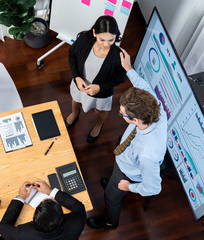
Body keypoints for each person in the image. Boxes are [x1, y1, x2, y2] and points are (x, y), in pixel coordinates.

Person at [86, 48, 168, 229]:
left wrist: (128, 187)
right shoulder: (155, 106)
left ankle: (110, 221)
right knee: (114, 183)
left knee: (111, 198)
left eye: (122, 113)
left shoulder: (148, 154)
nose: (119, 114)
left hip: (128, 173)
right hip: (124, 160)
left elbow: (153, 188)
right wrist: (128, 68)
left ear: (136, 120)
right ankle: (114, 185)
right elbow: (144, 88)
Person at [66, 15, 126, 143]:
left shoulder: (118, 56)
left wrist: (100, 87)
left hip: (102, 92)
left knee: (100, 110)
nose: (106, 44)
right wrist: (76, 77)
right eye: (102, 39)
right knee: (76, 99)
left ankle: (99, 124)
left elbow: (120, 79)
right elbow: (72, 56)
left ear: (116, 36)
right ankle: (74, 113)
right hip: (80, 84)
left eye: (111, 40)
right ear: (94, 32)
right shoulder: (83, 40)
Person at [0, 179, 86, 240]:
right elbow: (78, 206)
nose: (51, 197)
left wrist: (20, 198)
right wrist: (50, 191)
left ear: (35, 218)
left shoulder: (23, 234)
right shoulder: (77, 223)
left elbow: (2, 227)